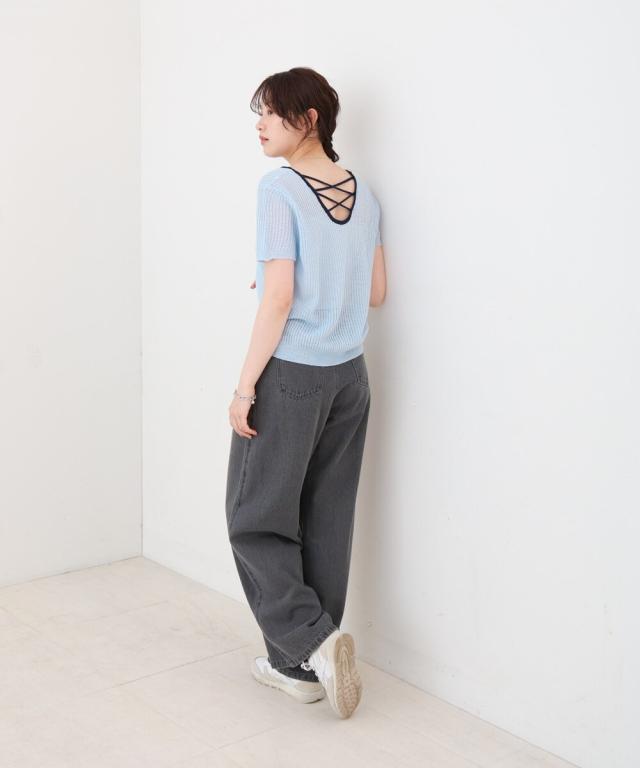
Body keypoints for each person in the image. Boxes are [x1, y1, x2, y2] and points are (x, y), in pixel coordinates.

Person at [225, 67, 386, 719]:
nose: (260, 125)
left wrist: (244, 388)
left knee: (254, 516)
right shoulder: (364, 193)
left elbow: (281, 298)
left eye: (271, 112)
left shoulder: (279, 189)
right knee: (326, 517)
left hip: (292, 377)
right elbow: (376, 291)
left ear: (309, 118)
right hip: (350, 377)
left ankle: (314, 641)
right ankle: (298, 665)